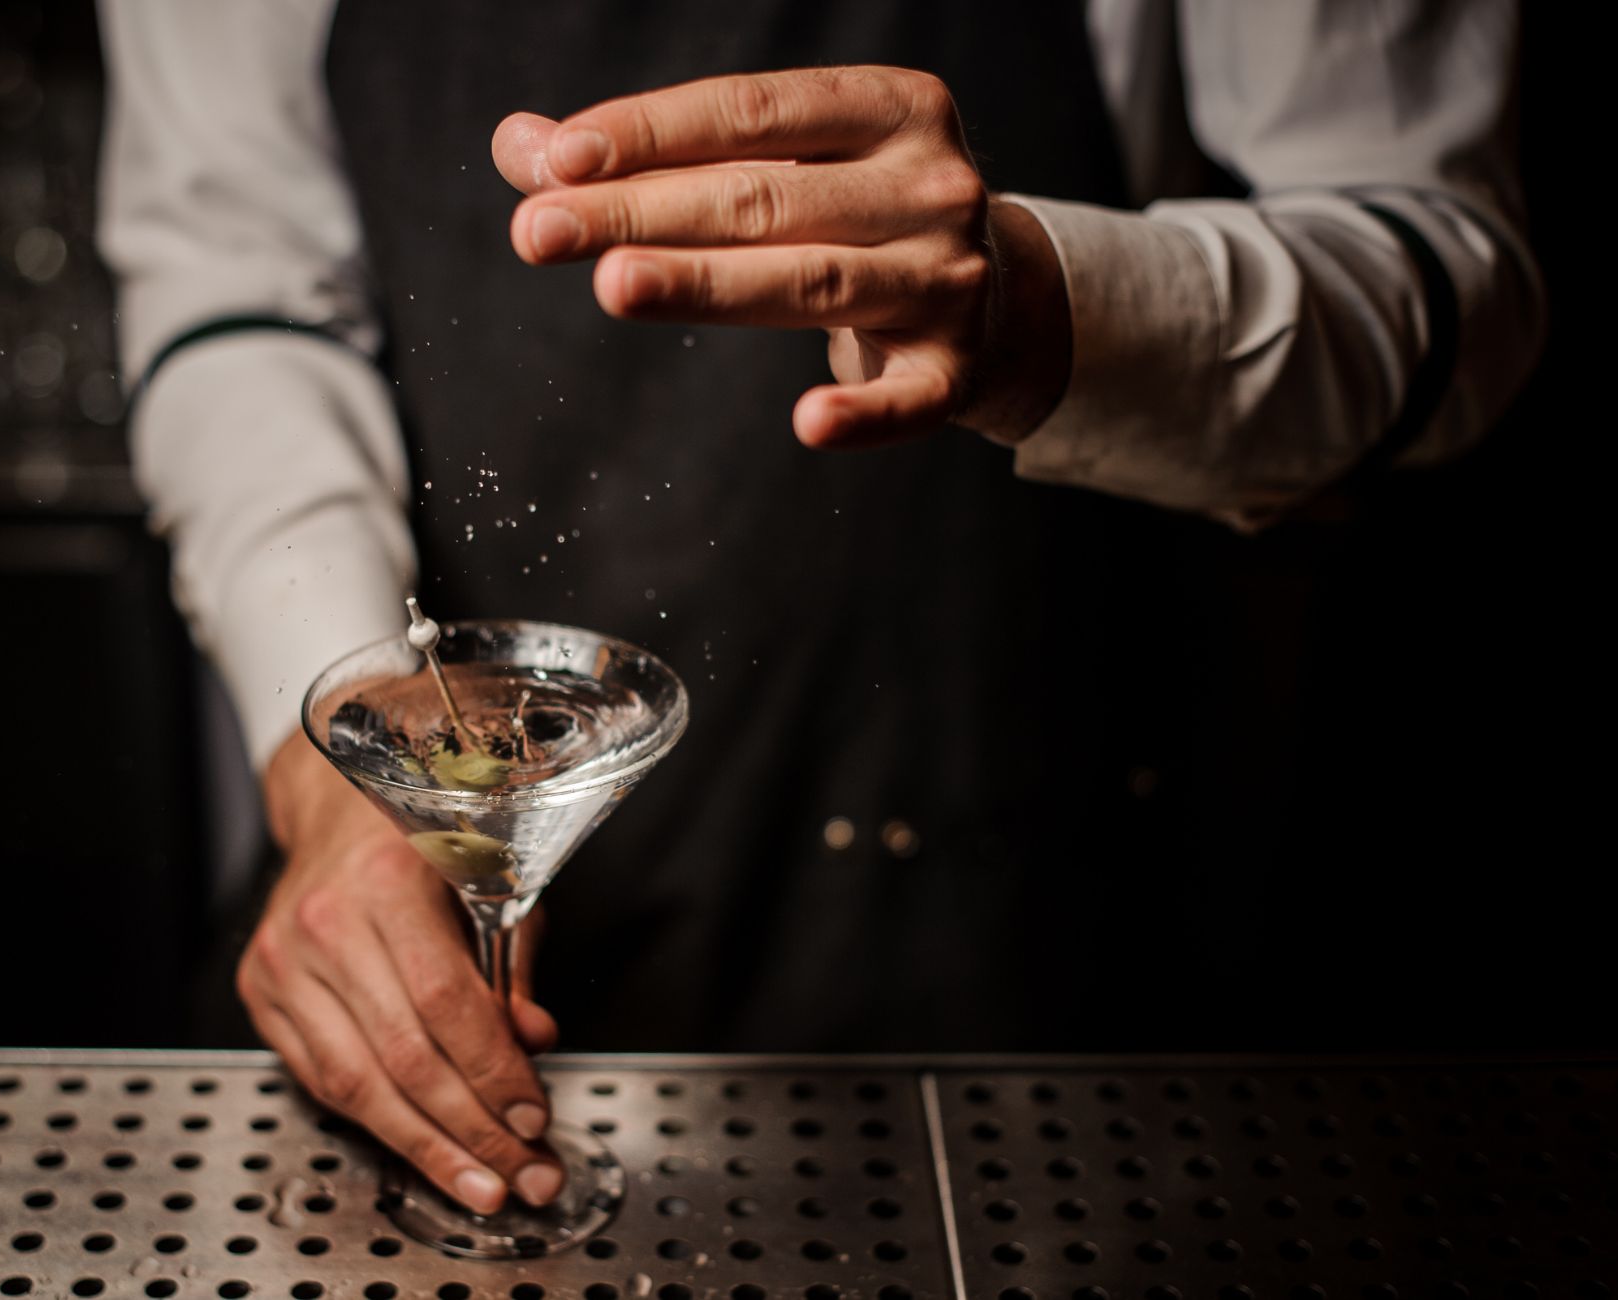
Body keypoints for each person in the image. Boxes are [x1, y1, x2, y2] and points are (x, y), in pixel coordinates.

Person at [96, 0, 1541, 1216]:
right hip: (484, 819)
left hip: (1017, 900)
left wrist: (1046, 308)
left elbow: (1446, 279)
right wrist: (338, 762)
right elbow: (238, 291)